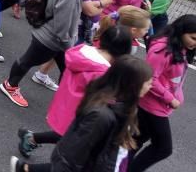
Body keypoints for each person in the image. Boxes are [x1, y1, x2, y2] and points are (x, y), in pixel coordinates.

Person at [9, 55, 153, 172]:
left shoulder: (127, 109)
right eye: (148, 82)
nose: (151, 85)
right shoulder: (102, 115)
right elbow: (70, 157)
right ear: (133, 85)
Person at [16, 24, 137, 160]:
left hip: (66, 102)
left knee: (65, 135)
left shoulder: (82, 51)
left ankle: (31, 138)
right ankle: (31, 146)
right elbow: (106, 97)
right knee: (71, 144)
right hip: (82, 112)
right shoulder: (102, 72)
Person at [0, 0, 103, 108]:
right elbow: (63, 24)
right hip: (52, 39)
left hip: (53, 36)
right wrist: (69, 45)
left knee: (67, 69)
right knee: (27, 61)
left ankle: (65, 101)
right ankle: (10, 85)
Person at [129, 15, 196, 171]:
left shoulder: (182, 48)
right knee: (163, 148)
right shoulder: (162, 49)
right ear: (181, 32)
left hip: (160, 106)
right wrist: (170, 98)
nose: (195, 42)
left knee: (135, 141)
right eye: (192, 37)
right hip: (152, 105)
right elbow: (149, 77)